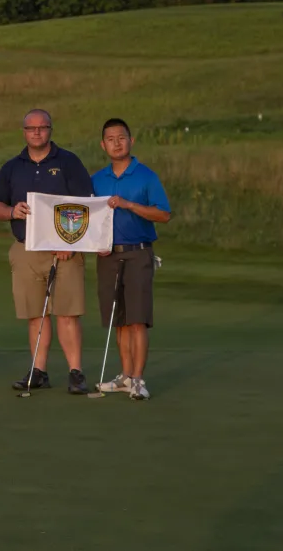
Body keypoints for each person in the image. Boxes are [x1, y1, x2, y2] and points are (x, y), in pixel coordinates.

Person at [0, 109, 94, 394]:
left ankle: (75, 372)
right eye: (31, 128)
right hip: (27, 249)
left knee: (68, 314)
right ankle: (39, 371)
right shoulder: (12, 167)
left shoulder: (69, 162)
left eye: (42, 127)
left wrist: (70, 243)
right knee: (37, 314)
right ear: (23, 132)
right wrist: (12, 211)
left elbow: (86, 204)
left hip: (64, 250)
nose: (37, 132)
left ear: (50, 130)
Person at [92, 118, 171, 401]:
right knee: (121, 320)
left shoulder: (146, 176)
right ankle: (125, 376)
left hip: (138, 253)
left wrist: (129, 205)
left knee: (138, 320)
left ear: (131, 141)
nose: (116, 142)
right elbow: (89, 219)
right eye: (110, 138)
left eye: (121, 137)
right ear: (103, 145)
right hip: (108, 256)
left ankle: (138, 379)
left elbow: (163, 214)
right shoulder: (97, 179)